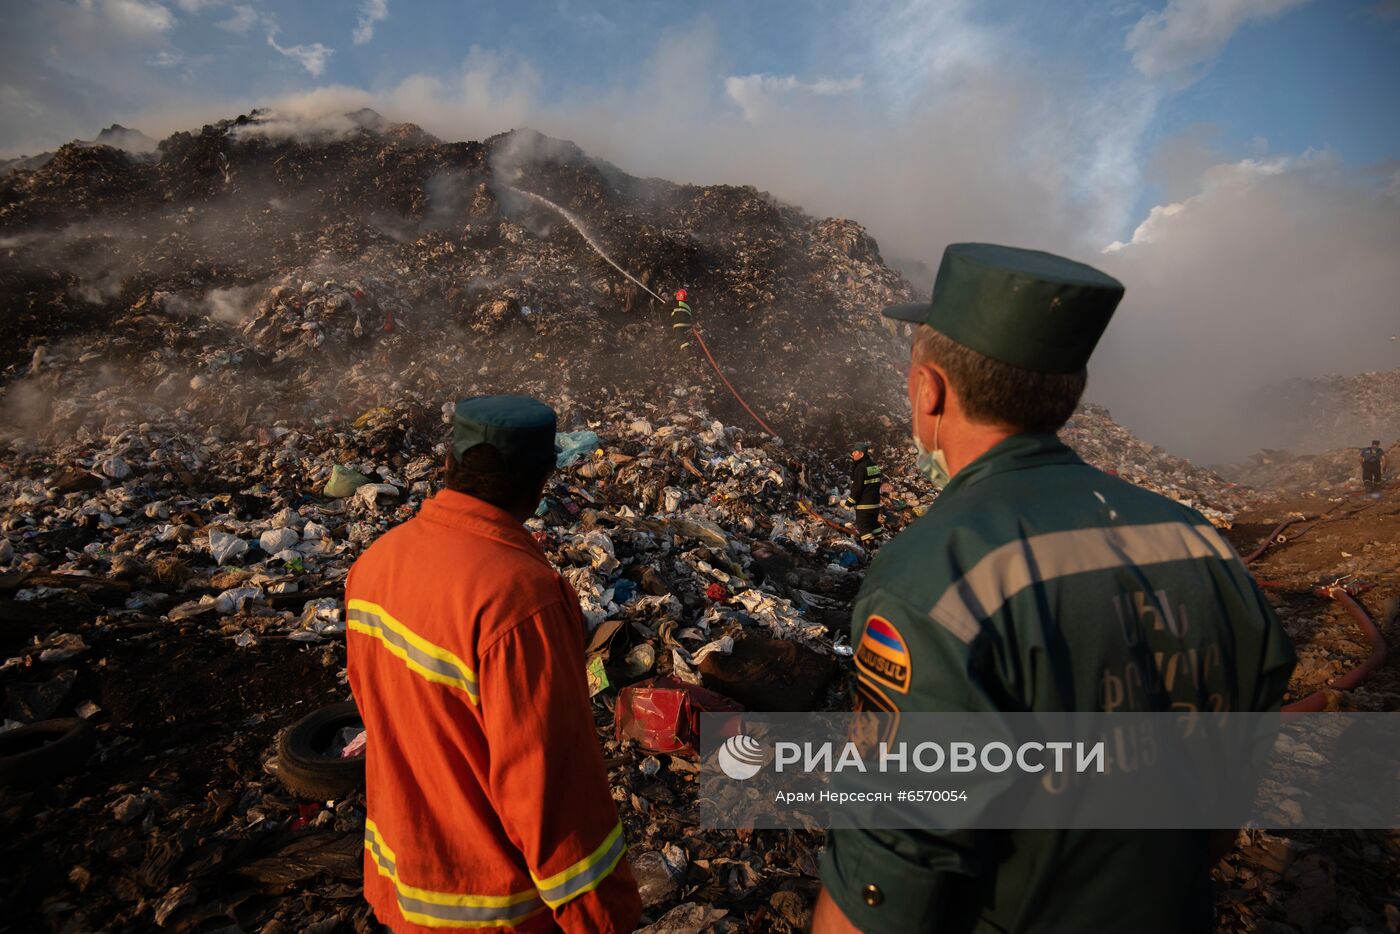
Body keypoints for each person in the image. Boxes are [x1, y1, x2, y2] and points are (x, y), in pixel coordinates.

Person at [812, 243, 1297, 934]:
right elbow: (1219, 823)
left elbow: (889, 876)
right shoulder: (1202, 544)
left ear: (930, 390)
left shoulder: (936, 573)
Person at [346, 395, 641, 933]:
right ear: (541, 481)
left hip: (401, 887)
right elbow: (549, 791)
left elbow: (380, 714)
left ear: (447, 466)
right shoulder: (520, 601)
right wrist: (604, 918)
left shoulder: (376, 563)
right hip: (490, 911)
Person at [842, 442, 884, 545]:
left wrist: (849, 503)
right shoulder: (874, 466)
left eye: (855, 452)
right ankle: (881, 542)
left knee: (864, 526)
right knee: (873, 524)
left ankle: (871, 550)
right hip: (875, 503)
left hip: (864, 505)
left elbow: (857, 488)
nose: (853, 454)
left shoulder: (860, 468)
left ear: (861, 454)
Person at [671, 288, 695, 352]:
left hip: (679, 323)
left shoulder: (676, 303)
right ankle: (689, 348)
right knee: (685, 336)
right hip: (687, 324)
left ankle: (686, 352)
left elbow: (666, 308)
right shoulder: (687, 306)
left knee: (679, 337)